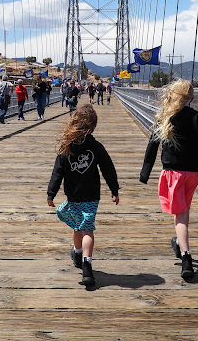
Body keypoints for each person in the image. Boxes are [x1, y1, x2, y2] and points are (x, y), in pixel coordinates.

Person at [139, 78, 198, 280]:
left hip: (173, 174)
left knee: (180, 216)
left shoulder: (165, 117)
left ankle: (186, 258)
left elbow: (152, 146)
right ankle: (179, 241)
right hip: (193, 174)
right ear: (191, 98)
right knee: (184, 209)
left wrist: (145, 173)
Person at [47, 105, 120, 287]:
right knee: (88, 229)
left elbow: (57, 172)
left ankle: (78, 252)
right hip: (91, 196)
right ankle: (87, 265)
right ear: (92, 127)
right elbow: (108, 169)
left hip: (73, 195)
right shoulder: (96, 146)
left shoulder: (66, 146)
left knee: (77, 225)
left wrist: (51, 193)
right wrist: (114, 189)